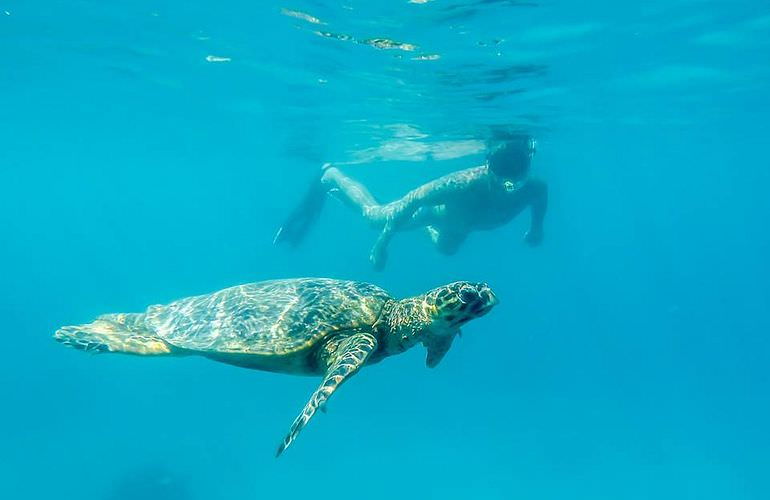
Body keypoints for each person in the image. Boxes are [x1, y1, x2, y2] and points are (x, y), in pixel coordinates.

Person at [273, 134, 548, 270]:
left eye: (516, 174)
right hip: (431, 213)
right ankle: (331, 174)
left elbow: (540, 199)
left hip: (459, 226)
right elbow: (414, 200)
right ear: (488, 165)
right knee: (373, 216)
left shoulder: (535, 187)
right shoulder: (459, 185)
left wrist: (537, 228)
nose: (508, 185)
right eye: (500, 174)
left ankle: (422, 230)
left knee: (447, 250)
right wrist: (381, 246)